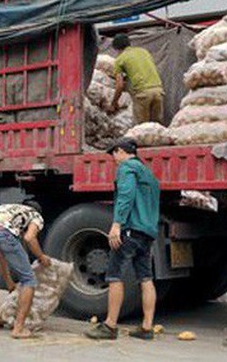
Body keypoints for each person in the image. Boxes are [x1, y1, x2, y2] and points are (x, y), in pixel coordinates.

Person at [85, 138, 160, 341]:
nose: (113, 160)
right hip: (147, 232)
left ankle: (109, 326)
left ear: (120, 151)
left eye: (113, 155)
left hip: (130, 230)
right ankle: (146, 327)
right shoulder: (148, 174)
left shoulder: (127, 168)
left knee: (114, 275)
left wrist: (117, 224)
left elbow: (126, 195)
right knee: (145, 278)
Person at [0, 201, 51, 339]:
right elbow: (29, 238)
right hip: (3, 232)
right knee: (29, 280)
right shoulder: (35, 215)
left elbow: (1, 254)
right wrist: (41, 257)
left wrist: (9, 281)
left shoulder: (9, 209)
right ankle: (19, 328)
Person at [111, 34, 165, 124]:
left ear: (116, 48)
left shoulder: (120, 59)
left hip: (142, 94)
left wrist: (114, 102)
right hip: (158, 91)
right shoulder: (143, 51)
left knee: (141, 128)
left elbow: (119, 85)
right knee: (157, 127)